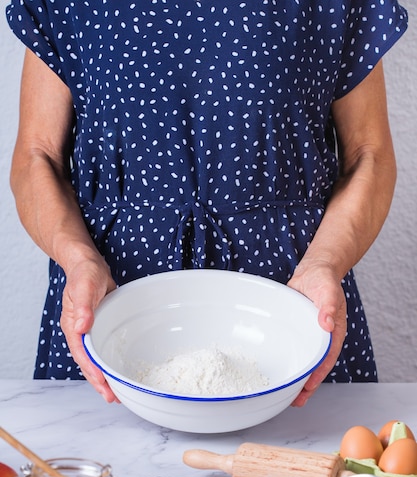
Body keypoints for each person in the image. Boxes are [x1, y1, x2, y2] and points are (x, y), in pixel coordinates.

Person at [5, 1, 408, 407]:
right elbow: (36, 156)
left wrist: (325, 264)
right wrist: (78, 262)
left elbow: (368, 155)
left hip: (297, 314)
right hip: (105, 314)